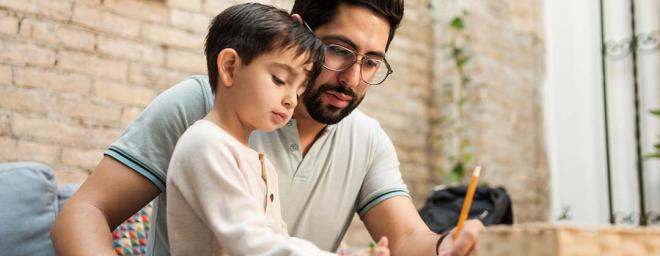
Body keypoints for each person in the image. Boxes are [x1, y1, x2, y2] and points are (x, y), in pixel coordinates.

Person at [51, 1, 484, 255]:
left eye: (371, 62)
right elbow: (83, 213)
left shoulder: (367, 140)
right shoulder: (200, 107)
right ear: (301, 32)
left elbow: (406, 236)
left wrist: (445, 246)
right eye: (338, 51)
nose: (352, 78)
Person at [165, 3, 387, 255]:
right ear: (230, 67)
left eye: (300, 88)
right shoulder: (205, 145)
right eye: (279, 80)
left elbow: (279, 239)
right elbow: (251, 243)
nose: (291, 99)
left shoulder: (260, 164)